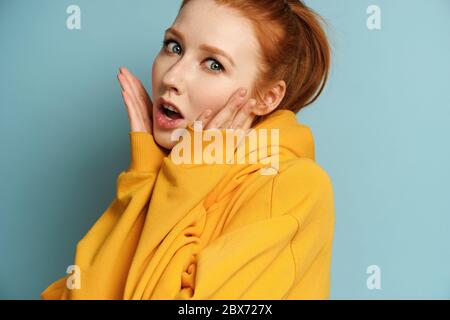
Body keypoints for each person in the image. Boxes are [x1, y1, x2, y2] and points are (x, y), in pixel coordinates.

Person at [41, 0, 335, 300]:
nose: (172, 78)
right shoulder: (160, 173)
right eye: (174, 47)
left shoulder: (292, 187)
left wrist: (181, 182)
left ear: (267, 98)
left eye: (214, 64)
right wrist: (145, 177)